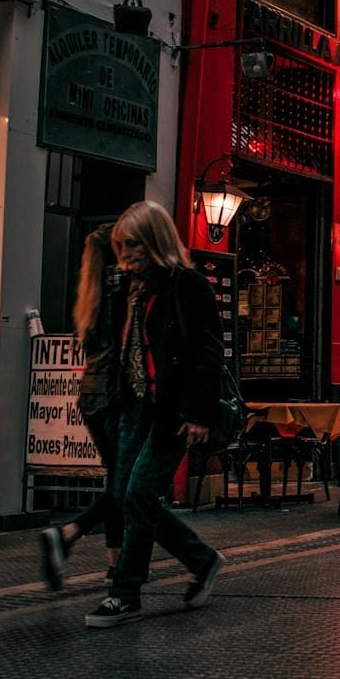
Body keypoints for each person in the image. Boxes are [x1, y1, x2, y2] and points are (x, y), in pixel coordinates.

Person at [84, 201, 226, 629]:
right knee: (129, 498)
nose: (124, 255)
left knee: (139, 494)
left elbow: (208, 352)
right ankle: (202, 560)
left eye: (132, 245)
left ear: (154, 241)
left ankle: (125, 593)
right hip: (132, 406)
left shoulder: (187, 286)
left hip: (172, 411)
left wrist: (199, 413)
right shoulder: (126, 291)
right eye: (119, 246)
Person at [40, 225, 126, 590]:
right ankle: (68, 533)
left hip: (91, 396)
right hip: (115, 395)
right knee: (127, 484)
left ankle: (115, 562)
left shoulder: (89, 294)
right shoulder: (120, 291)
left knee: (117, 480)